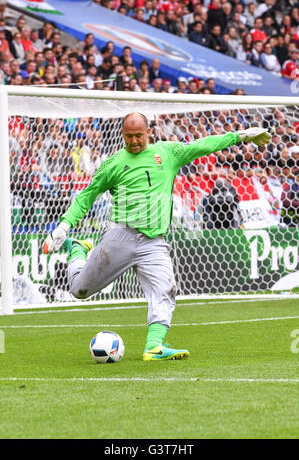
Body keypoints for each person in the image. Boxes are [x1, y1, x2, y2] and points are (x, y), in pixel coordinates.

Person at [42, 113, 271, 361]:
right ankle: (77, 248)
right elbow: (87, 195)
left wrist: (241, 135)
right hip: (120, 236)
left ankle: (153, 346)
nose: (135, 141)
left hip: (154, 243)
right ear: (122, 135)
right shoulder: (115, 163)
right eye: (129, 136)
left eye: (139, 135)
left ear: (148, 133)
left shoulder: (168, 153)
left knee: (166, 288)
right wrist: (64, 226)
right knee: (80, 290)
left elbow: (204, 144)